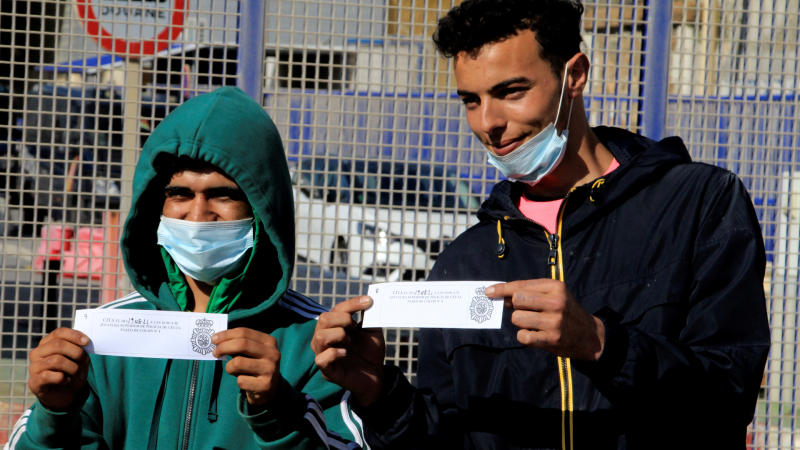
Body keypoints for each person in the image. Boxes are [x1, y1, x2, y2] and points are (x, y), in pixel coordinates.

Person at [311, 1, 771, 449]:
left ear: (574, 76)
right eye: (471, 100)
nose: (488, 122)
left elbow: (731, 390)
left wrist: (602, 344)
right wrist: (381, 395)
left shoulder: (698, 203)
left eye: (511, 91)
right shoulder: (464, 259)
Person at [8, 87, 366, 449]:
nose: (198, 216)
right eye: (179, 194)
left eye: (223, 195)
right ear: (155, 207)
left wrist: (280, 410)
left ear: (262, 209)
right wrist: (54, 415)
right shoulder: (106, 338)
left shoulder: (314, 343)